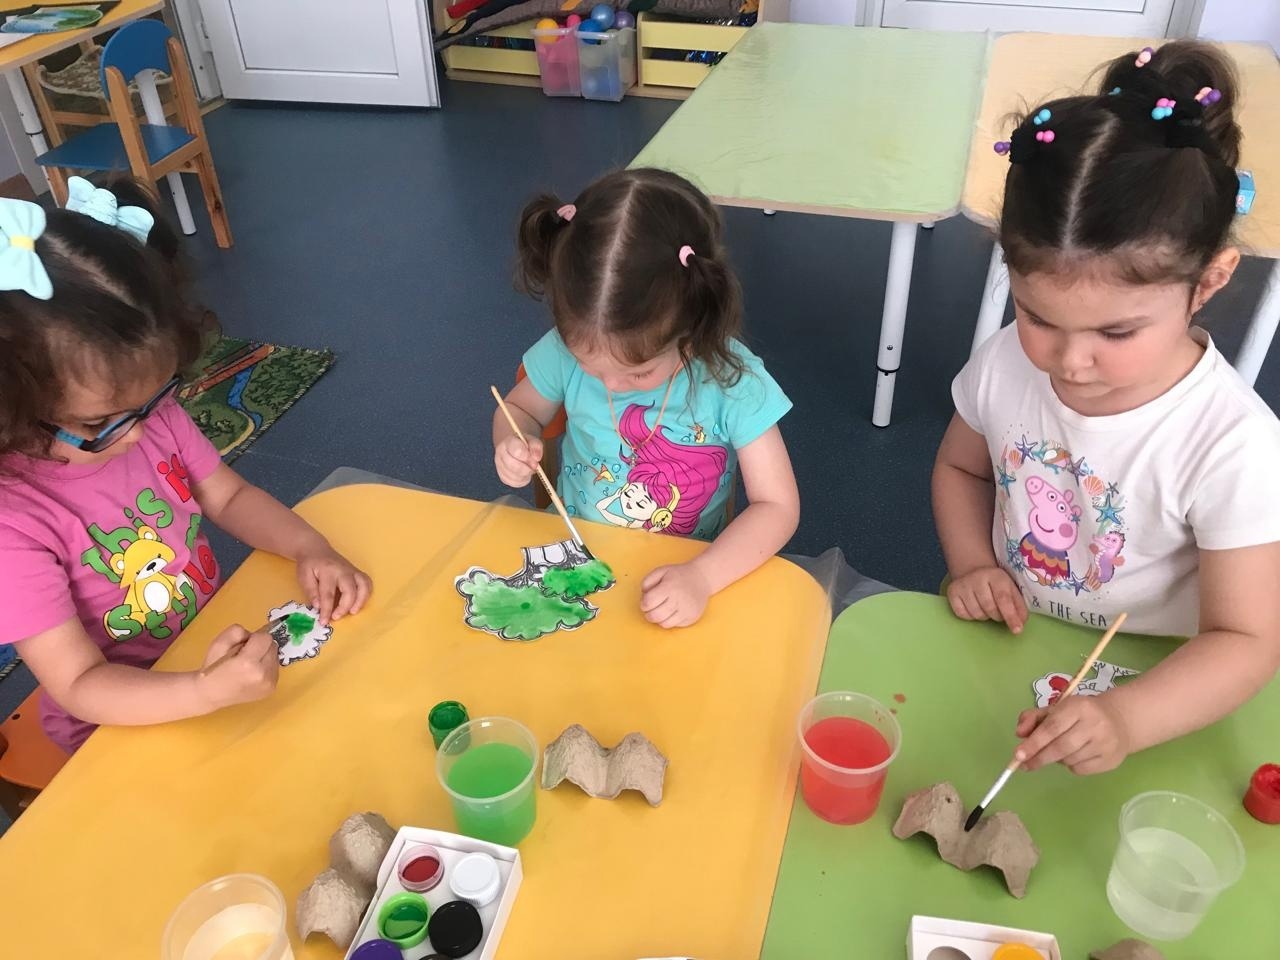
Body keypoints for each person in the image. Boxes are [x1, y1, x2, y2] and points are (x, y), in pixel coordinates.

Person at [931, 43, 1280, 774]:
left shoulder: (1235, 445)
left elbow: (1247, 641)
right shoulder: (1005, 361)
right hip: (1019, 643)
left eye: (1116, 333)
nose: (1070, 360)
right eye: (1037, 315)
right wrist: (971, 564)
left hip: (1159, 684)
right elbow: (961, 470)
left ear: (1209, 281)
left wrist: (1127, 717)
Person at [0, 178, 371, 752]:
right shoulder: (13, 524)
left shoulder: (149, 416)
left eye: (152, 398)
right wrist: (202, 691)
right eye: (99, 424)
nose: (139, 432)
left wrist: (309, 547)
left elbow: (229, 496)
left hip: (207, 656)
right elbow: (79, 683)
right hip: (116, 730)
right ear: (15, 412)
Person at [494, 168, 798, 628]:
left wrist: (703, 576)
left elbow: (778, 507)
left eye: (637, 373)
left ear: (692, 330)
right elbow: (518, 410)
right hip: (574, 562)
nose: (612, 385)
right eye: (591, 367)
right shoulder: (564, 350)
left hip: (684, 574)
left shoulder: (733, 382)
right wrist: (512, 441)